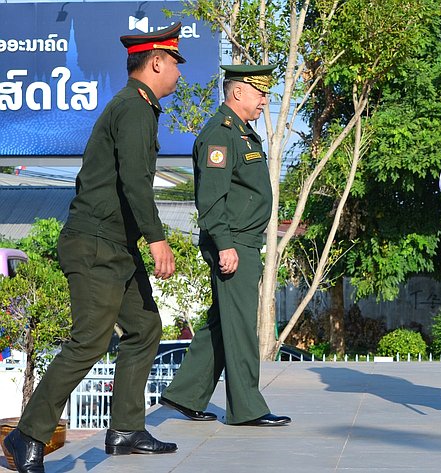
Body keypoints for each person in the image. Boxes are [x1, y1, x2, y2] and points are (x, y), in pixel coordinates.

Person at [4, 24, 184, 472]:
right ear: (156, 61)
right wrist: (159, 238)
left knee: (144, 327)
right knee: (90, 341)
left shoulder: (138, 108)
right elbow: (134, 182)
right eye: (175, 63)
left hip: (115, 246)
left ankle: (125, 429)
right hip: (96, 244)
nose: (179, 72)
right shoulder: (134, 108)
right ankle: (26, 436)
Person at [158, 65, 290, 427]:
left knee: (222, 322)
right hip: (233, 244)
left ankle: (183, 394)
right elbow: (212, 198)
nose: (265, 101)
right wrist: (225, 246)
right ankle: (248, 408)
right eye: (259, 92)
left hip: (243, 241)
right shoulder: (221, 133)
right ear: (237, 93)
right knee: (242, 325)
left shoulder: (242, 134)